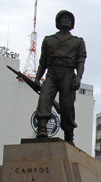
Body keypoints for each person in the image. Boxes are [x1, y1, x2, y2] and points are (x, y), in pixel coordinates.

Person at [34, 10, 87, 145]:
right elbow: (43, 62)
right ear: (57, 22)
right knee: (44, 98)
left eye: (69, 18)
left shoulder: (78, 42)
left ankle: (69, 135)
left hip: (68, 73)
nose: (66, 20)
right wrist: (37, 79)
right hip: (51, 73)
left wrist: (79, 77)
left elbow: (81, 61)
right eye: (63, 18)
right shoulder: (48, 40)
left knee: (66, 106)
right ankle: (42, 128)